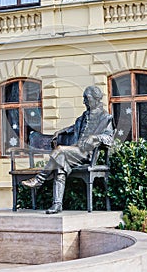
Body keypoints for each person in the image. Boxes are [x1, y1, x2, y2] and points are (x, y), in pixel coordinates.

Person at [22, 85, 115, 214]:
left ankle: (40, 179)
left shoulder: (105, 118)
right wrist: (60, 132)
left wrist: (95, 137)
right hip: (74, 152)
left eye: (86, 98)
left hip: (87, 154)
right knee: (60, 166)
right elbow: (73, 128)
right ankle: (57, 204)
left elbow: (109, 139)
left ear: (96, 99)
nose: (84, 102)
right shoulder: (83, 117)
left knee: (60, 150)